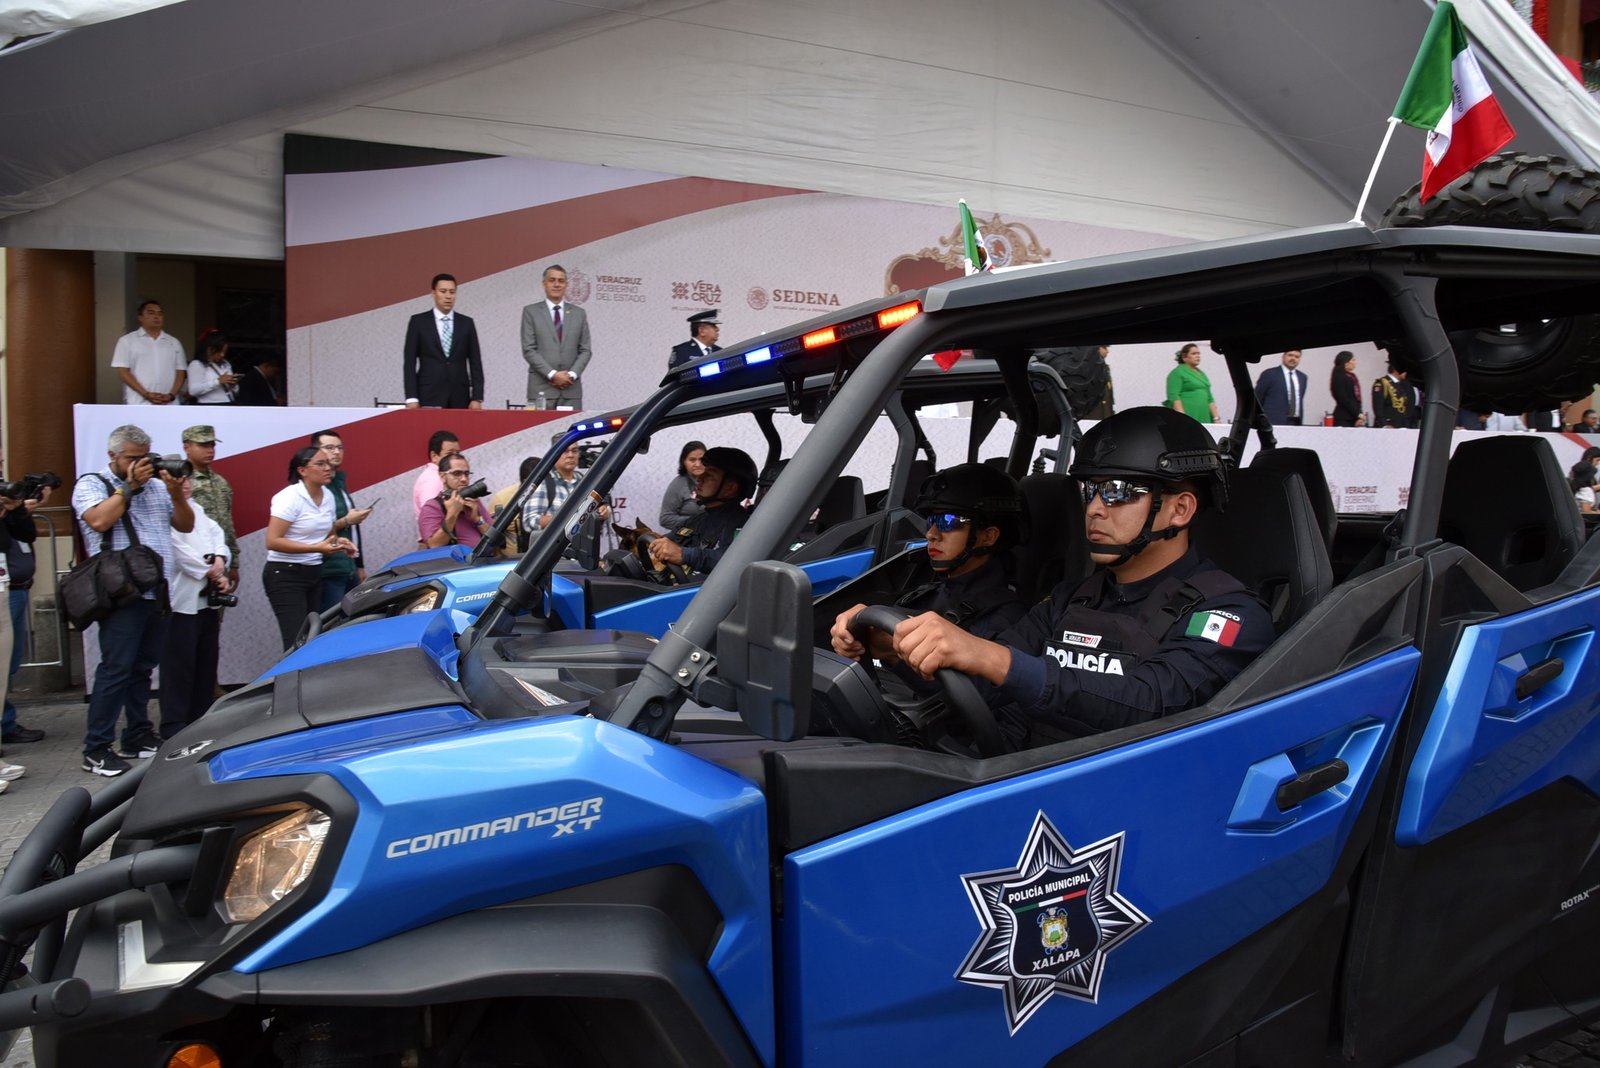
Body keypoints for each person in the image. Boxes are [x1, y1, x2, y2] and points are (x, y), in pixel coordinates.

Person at [881, 406, 1273, 746]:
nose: (1095, 509)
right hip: (1021, 775)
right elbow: (982, 689)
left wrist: (993, 657)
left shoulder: (1227, 614)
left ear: (1180, 509)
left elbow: (1152, 703)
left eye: (1118, 491)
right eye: (1090, 491)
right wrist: (895, 652)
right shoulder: (1070, 599)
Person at [830, 464, 1029, 691]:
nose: (931, 534)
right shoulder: (927, 591)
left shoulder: (1009, 619)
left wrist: (895, 652)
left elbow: (978, 700)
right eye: (931, 520)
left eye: (948, 522)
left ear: (988, 536)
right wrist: (851, 636)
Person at [71, 424, 196, 776]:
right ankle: (96, 748)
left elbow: (185, 525)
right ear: (112, 456)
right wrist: (129, 487)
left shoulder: (157, 486)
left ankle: (137, 735)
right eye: (132, 458)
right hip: (121, 592)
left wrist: (176, 494)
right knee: (116, 669)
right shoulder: (93, 483)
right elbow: (98, 521)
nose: (141, 464)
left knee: (143, 668)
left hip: (157, 590)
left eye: (146, 457)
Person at [158, 473, 229, 740]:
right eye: (179, 480)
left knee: (205, 661)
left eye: (187, 479)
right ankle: (174, 723)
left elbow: (217, 534)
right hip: (180, 599)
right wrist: (208, 570)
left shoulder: (196, 508)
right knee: (179, 665)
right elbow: (176, 550)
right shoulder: (164, 509)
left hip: (206, 599)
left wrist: (220, 559)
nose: (185, 484)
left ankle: (200, 718)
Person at [264, 446, 357, 649]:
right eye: (320, 464)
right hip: (285, 573)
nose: (328, 468)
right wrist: (316, 548)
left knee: (312, 637)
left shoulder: (328, 495)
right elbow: (273, 541)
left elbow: (328, 534)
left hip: (314, 571)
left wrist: (339, 543)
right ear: (302, 470)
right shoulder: (289, 497)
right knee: (296, 641)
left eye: (328, 464)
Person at [647, 446, 756, 575]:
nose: (699, 478)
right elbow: (670, 540)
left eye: (709, 475)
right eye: (704, 471)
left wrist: (684, 554)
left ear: (730, 488)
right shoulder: (699, 518)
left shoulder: (740, 524)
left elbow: (733, 562)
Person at [0, 455, 48, 744]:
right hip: (6, 588)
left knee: (9, 662)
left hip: (12, 586)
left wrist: (16, 509)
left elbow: (26, 534)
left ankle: (5, 723)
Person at [403, 273, 485, 409]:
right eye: (443, 291)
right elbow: (409, 363)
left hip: (460, 394)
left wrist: (477, 397)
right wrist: (411, 397)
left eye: (452, 292)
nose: (448, 296)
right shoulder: (418, 322)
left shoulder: (466, 323)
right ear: (433, 293)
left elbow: (475, 362)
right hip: (428, 393)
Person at [311, 429, 372, 611]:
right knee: (332, 622)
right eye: (329, 447)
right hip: (328, 569)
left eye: (340, 447)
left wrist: (359, 565)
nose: (336, 452)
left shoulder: (338, 481)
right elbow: (313, 529)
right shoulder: (313, 487)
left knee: (357, 617)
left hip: (348, 566)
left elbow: (352, 528)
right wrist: (346, 520)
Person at [520, 264, 592, 409]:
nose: (557, 284)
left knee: (572, 425)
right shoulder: (531, 312)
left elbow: (585, 350)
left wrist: (571, 375)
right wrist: (553, 374)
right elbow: (529, 349)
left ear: (566, 285)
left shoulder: (579, 314)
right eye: (552, 280)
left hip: (570, 390)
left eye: (561, 281)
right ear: (544, 284)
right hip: (541, 390)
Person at [182, 426, 240, 598]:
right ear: (187, 447)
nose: (210, 450)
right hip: (192, 562)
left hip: (221, 558)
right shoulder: (180, 482)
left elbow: (227, 524)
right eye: (203, 445)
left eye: (212, 445)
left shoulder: (220, 482)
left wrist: (233, 563)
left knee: (216, 609)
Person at [111, 299, 186, 406]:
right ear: (140, 317)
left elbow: (180, 372)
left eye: (159, 314)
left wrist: (171, 395)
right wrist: (145, 394)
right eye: (151, 313)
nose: (156, 316)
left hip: (169, 403)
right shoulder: (127, 341)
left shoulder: (173, 342)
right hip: (138, 402)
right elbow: (123, 372)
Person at [420, 452, 493, 550]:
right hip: (457, 560)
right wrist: (452, 514)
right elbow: (434, 545)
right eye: (457, 474)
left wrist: (477, 520)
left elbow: (496, 540)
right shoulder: (432, 507)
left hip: (485, 558)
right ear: (442, 477)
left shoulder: (473, 502)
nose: (464, 479)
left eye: (466, 474)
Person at [490, 456, 539, 553]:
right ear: (526, 482)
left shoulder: (554, 494)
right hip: (512, 559)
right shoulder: (502, 499)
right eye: (540, 483)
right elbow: (492, 538)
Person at [411, 430, 460, 521]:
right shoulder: (432, 481)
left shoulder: (441, 475)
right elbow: (432, 520)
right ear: (434, 456)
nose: (455, 458)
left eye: (457, 453)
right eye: (449, 454)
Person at [1165, 343, 1218, 423]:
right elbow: (1174, 396)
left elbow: (1210, 398)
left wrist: (1216, 418)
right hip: (1188, 414)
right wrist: (1183, 417)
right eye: (1194, 354)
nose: (1197, 356)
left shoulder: (1202, 374)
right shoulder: (1177, 373)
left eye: (1198, 353)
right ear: (1184, 357)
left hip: (1204, 415)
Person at [658, 441, 706, 529]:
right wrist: (696, 521)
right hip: (691, 534)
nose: (698, 464)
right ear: (684, 461)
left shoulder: (716, 481)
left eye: (701, 459)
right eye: (692, 460)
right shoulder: (678, 484)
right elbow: (665, 519)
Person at [1254, 350, 1308, 426]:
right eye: (1290, 355)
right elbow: (1257, 398)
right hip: (1273, 421)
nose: (1293, 358)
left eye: (1297, 357)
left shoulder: (1302, 377)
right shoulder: (1269, 374)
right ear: (1283, 356)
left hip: (1295, 422)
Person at [186, 329, 240, 405]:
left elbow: (236, 392)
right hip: (209, 405)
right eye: (219, 351)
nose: (222, 355)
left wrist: (233, 385)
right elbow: (193, 391)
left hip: (229, 403)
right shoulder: (197, 364)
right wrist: (217, 382)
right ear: (209, 349)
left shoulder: (225, 364)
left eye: (224, 352)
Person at [1372, 364, 1419, 428]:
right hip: (1388, 425)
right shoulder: (1382, 383)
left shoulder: (1402, 384)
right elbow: (1378, 406)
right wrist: (1384, 424)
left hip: (1401, 425)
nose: (1406, 373)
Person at [1329, 351, 1365, 427]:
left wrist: (1360, 414)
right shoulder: (1339, 377)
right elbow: (1343, 399)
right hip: (1344, 418)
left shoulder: (1352, 376)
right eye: (1353, 360)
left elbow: (1357, 398)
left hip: (1355, 417)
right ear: (1346, 363)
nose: (1355, 362)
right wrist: (1357, 414)